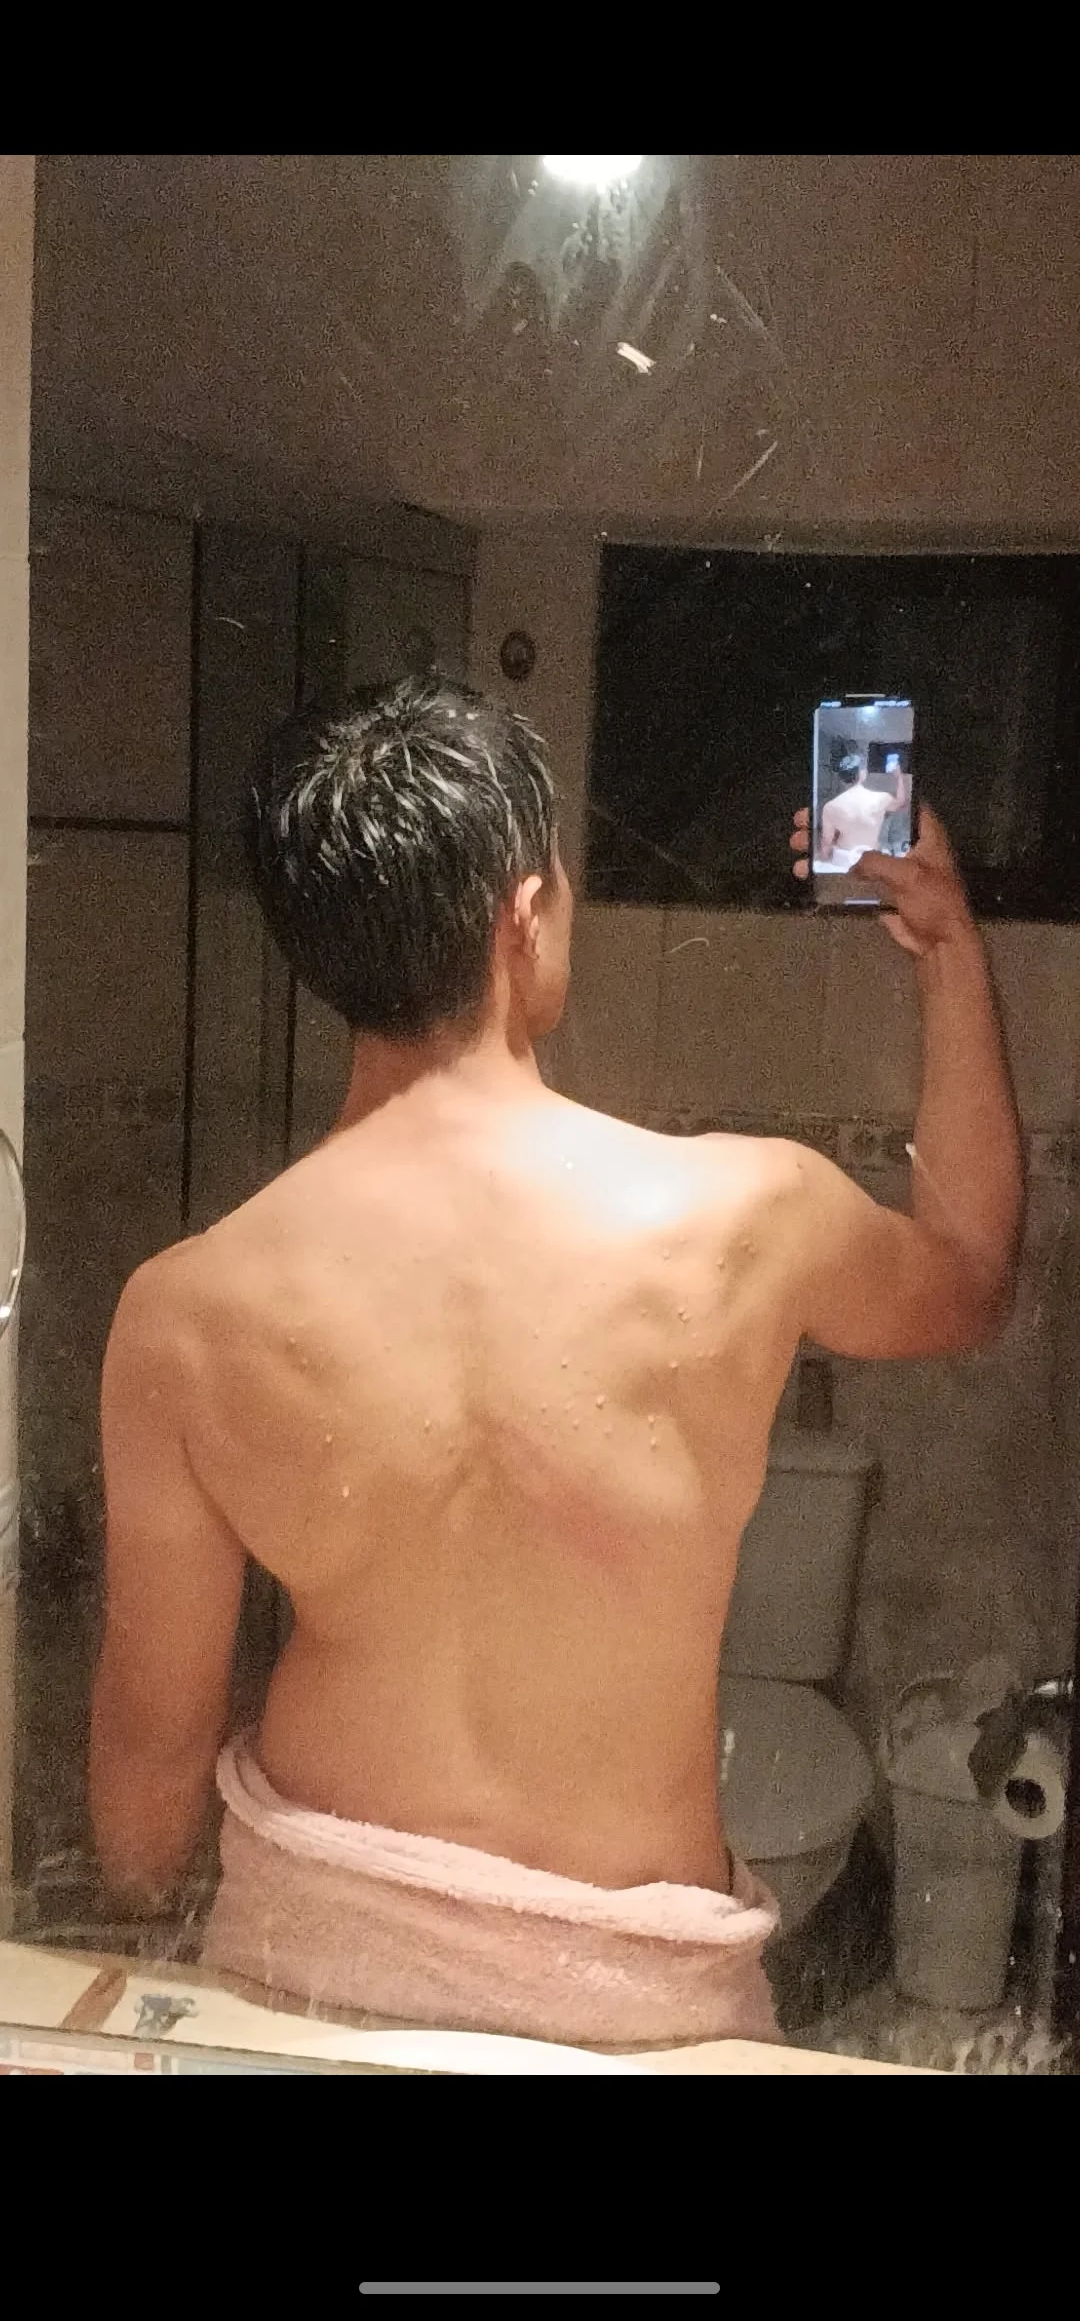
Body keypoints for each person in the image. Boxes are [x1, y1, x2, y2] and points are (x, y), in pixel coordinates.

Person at [89, 677, 1023, 2049]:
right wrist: (946, 944)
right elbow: (973, 1278)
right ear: (522, 913)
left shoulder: (182, 1311)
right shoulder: (742, 1219)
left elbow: (148, 1782)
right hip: (626, 1998)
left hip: (308, 1966)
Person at [819, 751, 910, 872]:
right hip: (871, 862)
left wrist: (822, 862)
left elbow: (826, 841)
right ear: (863, 774)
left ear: (841, 778)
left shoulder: (830, 806)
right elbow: (900, 802)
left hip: (843, 861)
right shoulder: (881, 799)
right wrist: (899, 777)